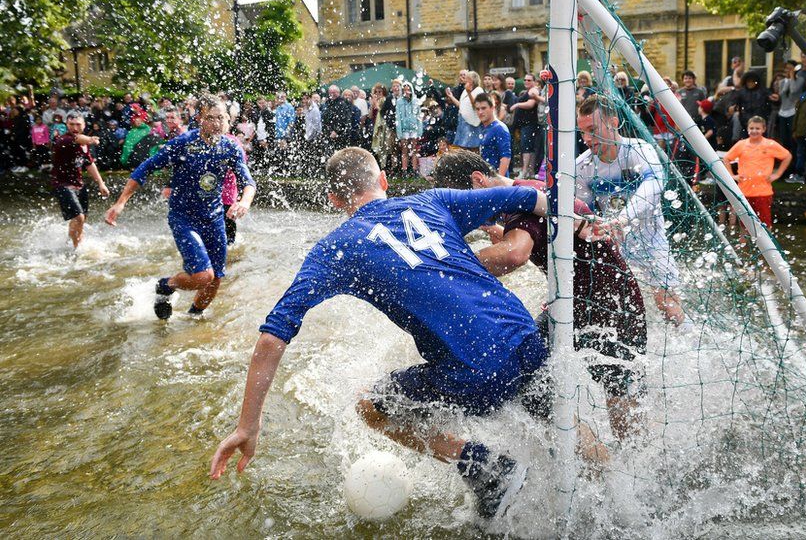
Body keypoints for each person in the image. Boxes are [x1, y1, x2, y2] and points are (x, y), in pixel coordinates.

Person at [209, 147, 548, 520]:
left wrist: (248, 425)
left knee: (371, 407)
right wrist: (579, 225)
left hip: (475, 370)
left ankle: (484, 466)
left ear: (334, 199)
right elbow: (531, 197)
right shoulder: (433, 200)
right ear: (383, 180)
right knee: (560, 423)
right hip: (527, 338)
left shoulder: (335, 248)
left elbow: (272, 338)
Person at [432, 150, 647, 440]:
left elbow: (515, 253)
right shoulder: (526, 190)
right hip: (574, 301)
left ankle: (622, 469)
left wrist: (448, 265)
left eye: (465, 204)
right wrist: (494, 228)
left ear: (478, 180)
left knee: (619, 400)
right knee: (529, 378)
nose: (466, 213)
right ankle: (582, 451)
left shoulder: (522, 201)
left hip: (610, 305)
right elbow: (528, 233)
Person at [104, 94, 256, 320]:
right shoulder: (183, 144)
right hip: (184, 218)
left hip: (214, 219)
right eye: (211, 118)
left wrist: (244, 202)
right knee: (203, 276)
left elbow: (249, 183)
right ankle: (165, 285)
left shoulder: (230, 148)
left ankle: (193, 320)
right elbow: (144, 169)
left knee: (215, 280)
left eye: (222, 118)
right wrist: (120, 202)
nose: (217, 123)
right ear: (200, 119)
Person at [575, 95, 686, 326]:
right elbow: (582, 210)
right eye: (582, 132)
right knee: (615, 308)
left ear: (613, 123)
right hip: (614, 244)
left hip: (651, 239)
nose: (586, 138)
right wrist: (594, 225)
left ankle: (689, 345)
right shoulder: (582, 167)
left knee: (668, 306)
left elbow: (654, 185)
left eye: (592, 130)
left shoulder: (639, 150)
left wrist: (622, 219)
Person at [51, 112, 110, 249]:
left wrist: (101, 183)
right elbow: (79, 139)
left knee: (83, 217)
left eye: (78, 124)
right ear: (67, 125)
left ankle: (73, 242)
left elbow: (89, 163)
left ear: (83, 125)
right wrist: (92, 139)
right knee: (79, 217)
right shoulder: (63, 140)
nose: (75, 127)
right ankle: (76, 247)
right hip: (62, 184)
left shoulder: (84, 144)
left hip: (78, 184)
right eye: (71, 124)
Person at [721, 116, 791, 229]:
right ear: (748, 129)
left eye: (757, 128)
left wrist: (778, 174)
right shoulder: (741, 144)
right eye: (751, 128)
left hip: (763, 192)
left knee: (765, 223)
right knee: (745, 224)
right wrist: (732, 176)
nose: (754, 131)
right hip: (744, 191)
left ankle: (768, 246)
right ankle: (743, 245)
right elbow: (726, 158)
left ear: (763, 129)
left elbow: (787, 156)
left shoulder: (770, 144)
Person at [510, 73, 542, 177]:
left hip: (530, 124)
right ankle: (530, 171)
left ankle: (524, 171)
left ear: (534, 81)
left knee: (526, 147)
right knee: (529, 147)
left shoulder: (533, 90)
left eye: (529, 80)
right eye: (525, 80)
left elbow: (530, 104)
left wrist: (517, 104)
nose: (526, 82)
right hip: (527, 124)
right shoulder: (530, 91)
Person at [473, 93, 512, 178]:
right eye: (477, 109)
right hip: (488, 179)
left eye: (483, 108)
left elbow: (505, 157)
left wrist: (499, 181)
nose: (480, 112)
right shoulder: (484, 128)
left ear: (492, 108)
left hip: (497, 183)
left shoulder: (499, 128)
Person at [395, 82, 424, 174]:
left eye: (408, 89)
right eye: (404, 90)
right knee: (405, 150)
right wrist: (399, 132)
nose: (406, 91)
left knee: (414, 149)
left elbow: (419, 116)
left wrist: (420, 130)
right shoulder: (399, 102)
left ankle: (414, 169)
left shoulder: (415, 101)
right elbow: (398, 118)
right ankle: (405, 170)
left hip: (414, 128)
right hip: (404, 129)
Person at [452, 71, 484, 150]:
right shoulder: (464, 91)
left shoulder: (479, 90)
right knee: (461, 148)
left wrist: (469, 93)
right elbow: (461, 106)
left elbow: (477, 106)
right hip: (463, 122)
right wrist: (451, 96)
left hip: (472, 124)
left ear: (472, 80)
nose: (465, 80)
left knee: (472, 148)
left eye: (467, 78)